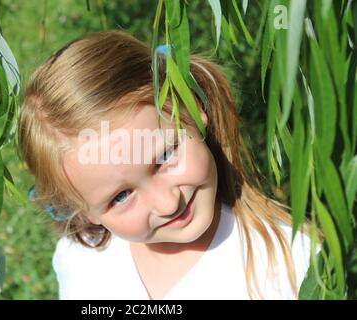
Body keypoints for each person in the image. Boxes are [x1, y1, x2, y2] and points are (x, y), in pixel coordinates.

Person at [18, 30, 318, 300]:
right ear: (83, 211)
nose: (167, 202)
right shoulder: (79, 262)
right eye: (121, 197)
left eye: (164, 157)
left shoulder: (295, 262)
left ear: (190, 110)